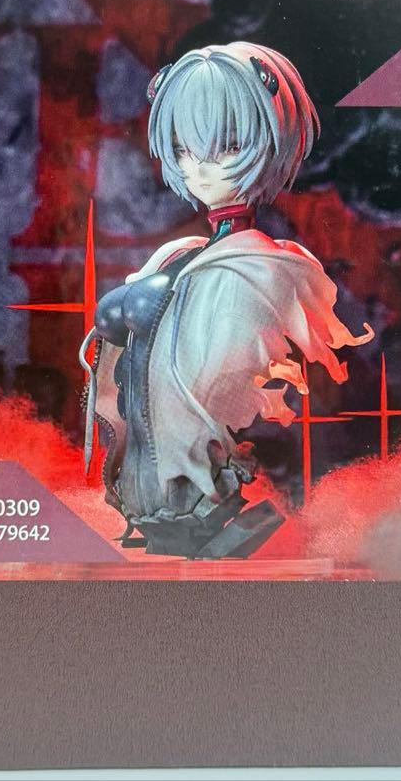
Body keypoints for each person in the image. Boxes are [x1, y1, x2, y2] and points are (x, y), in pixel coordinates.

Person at [79, 41, 373, 558]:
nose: (200, 168)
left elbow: (222, 377)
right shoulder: (181, 255)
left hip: (197, 484)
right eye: (184, 149)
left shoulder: (260, 265)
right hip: (149, 479)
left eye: (228, 145)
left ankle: (192, 508)